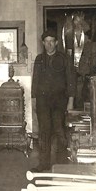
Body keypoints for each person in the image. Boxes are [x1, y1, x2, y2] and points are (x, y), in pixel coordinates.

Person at [31, 30, 75, 172]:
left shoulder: (64, 58)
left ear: (56, 42)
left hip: (59, 101)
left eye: (51, 41)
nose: (49, 44)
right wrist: (33, 99)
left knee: (59, 130)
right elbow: (35, 80)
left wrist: (71, 100)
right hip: (42, 101)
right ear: (43, 43)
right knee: (44, 131)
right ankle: (44, 163)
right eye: (46, 41)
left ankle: (61, 163)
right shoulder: (39, 59)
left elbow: (70, 80)